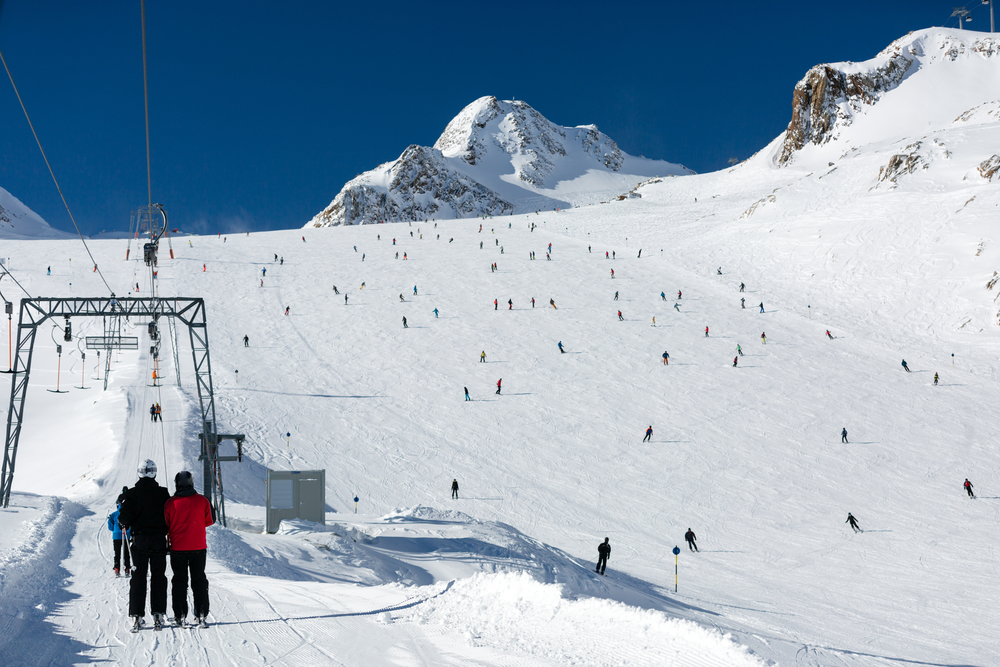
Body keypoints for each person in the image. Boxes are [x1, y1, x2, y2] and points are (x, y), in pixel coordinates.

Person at [118, 459, 171, 632]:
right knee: (158, 576)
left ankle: (137, 614)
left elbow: (123, 519)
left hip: (139, 540)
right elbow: (169, 515)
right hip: (158, 539)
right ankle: (158, 612)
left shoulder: (131, 495)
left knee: (138, 577)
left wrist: (122, 511)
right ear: (154, 472)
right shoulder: (163, 493)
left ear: (139, 472)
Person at [164, 471, 214, 628]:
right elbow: (209, 521)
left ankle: (180, 615)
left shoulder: (170, 503)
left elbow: (166, 525)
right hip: (198, 547)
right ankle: (201, 614)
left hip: (178, 547)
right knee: (199, 580)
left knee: (179, 581)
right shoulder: (202, 500)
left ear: (177, 484)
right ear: (192, 482)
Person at [108, 501, 132, 577]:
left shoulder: (114, 514)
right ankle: (127, 568)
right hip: (126, 535)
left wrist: (115, 530)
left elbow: (110, 526)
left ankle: (117, 569)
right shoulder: (129, 513)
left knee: (117, 553)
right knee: (126, 553)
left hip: (116, 536)